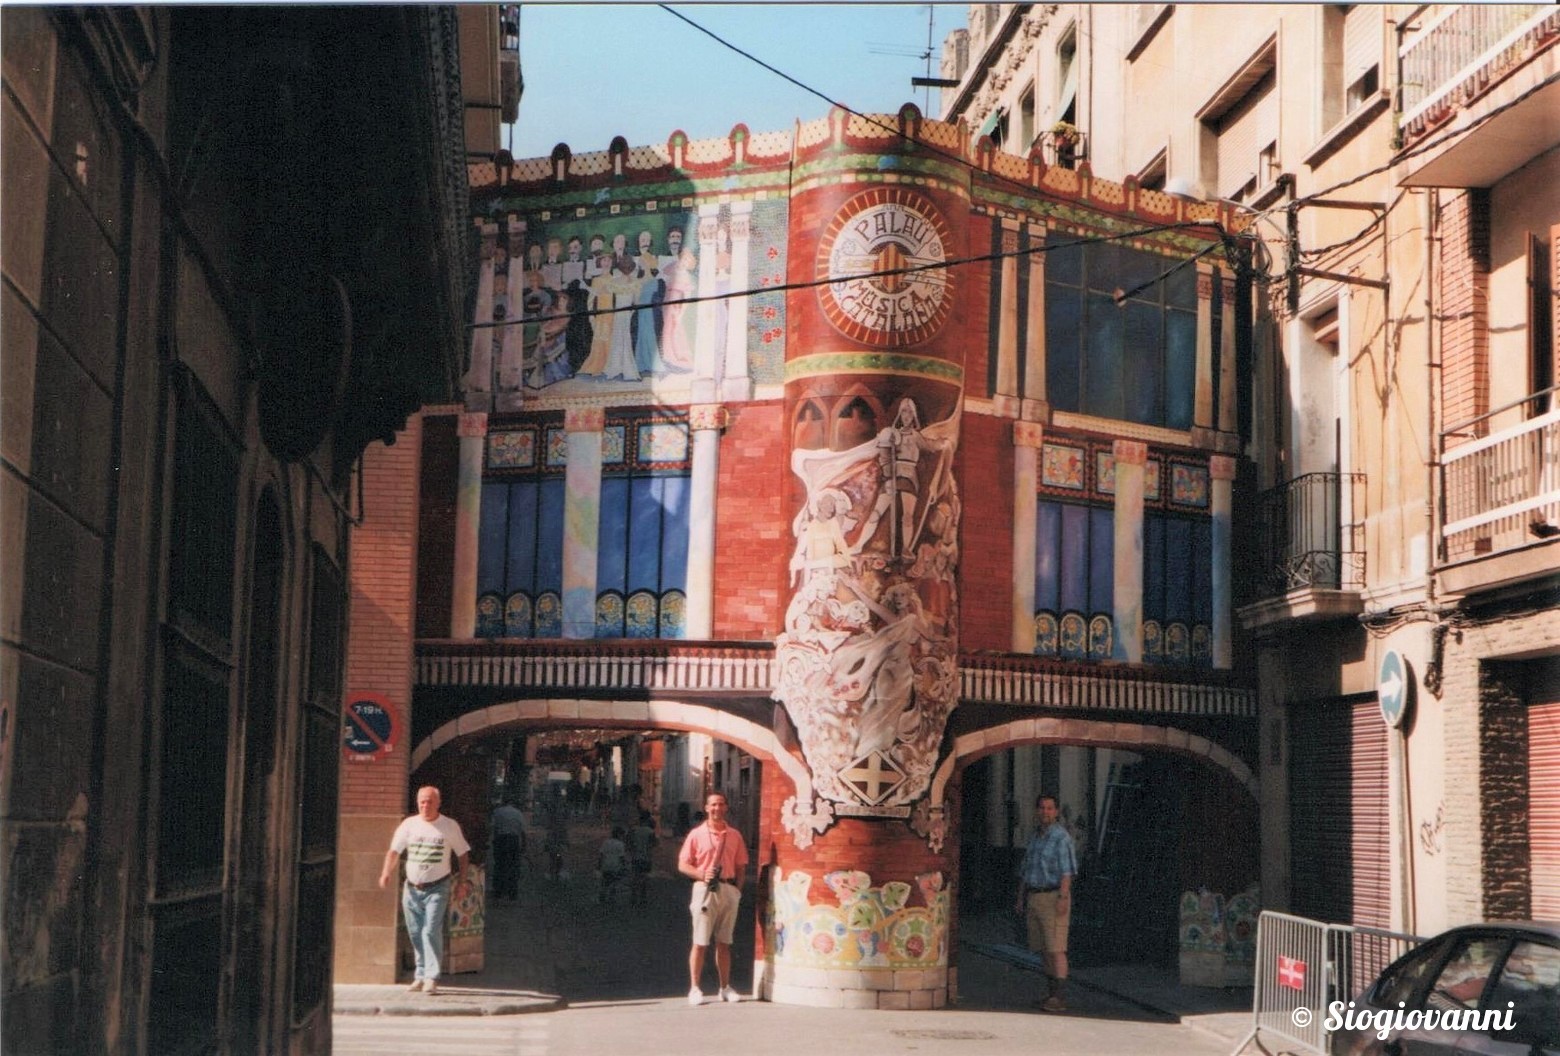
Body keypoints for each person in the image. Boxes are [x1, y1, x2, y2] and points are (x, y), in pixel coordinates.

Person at [379, 785, 471, 996]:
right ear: (417, 803)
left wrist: (462, 883)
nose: (425, 805)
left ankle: (431, 977)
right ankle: (420, 975)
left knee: (430, 930)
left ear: (438, 803)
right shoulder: (409, 825)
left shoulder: (449, 826)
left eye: (430, 801)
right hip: (411, 888)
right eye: (422, 801)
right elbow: (394, 851)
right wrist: (386, 873)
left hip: (438, 886)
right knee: (414, 931)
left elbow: (463, 855)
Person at [677, 792, 749, 1006]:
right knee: (700, 942)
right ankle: (695, 988)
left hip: (728, 888)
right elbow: (683, 864)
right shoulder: (696, 834)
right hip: (704, 889)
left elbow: (740, 866)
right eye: (713, 805)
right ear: (707, 808)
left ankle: (725, 987)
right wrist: (701, 874)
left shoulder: (734, 835)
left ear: (726, 807)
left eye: (721, 804)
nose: (717, 808)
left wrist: (737, 891)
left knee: (724, 942)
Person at [1014, 794, 1078, 1012]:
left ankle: (1060, 997)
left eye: (1050, 808)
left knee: (1056, 948)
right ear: (1036, 811)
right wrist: (1021, 897)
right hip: (1034, 895)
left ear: (1056, 811)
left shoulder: (1061, 838)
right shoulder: (1035, 837)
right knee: (1042, 947)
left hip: (1053, 897)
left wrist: (1063, 897)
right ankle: (1050, 994)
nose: (1045, 812)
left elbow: (1067, 872)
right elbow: (1026, 869)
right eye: (1042, 808)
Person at [489, 796, 526, 902]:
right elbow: (522, 832)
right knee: (513, 867)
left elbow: (494, 828)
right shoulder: (518, 813)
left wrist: (494, 841)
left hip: (501, 840)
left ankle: (498, 892)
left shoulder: (497, 812)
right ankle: (512, 892)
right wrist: (523, 845)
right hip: (513, 841)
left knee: (499, 866)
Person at [627, 809, 658, 906]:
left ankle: (633, 896)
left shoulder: (633, 830)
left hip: (635, 856)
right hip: (646, 857)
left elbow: (628, 842)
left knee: (635, 876)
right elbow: (654, 844)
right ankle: (643, 897)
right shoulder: (650, 832)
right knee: (644, 877)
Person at [598, 826, 628, 905]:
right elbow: (622, 857)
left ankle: (602, 896)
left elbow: (601, 855)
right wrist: (624, 866)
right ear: (619, 835)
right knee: (614, 883)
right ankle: (611, 898)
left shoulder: (606, 842)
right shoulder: (620, 844)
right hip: (615, 866)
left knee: (604, 882)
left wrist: (599, 865)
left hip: (605, 865)